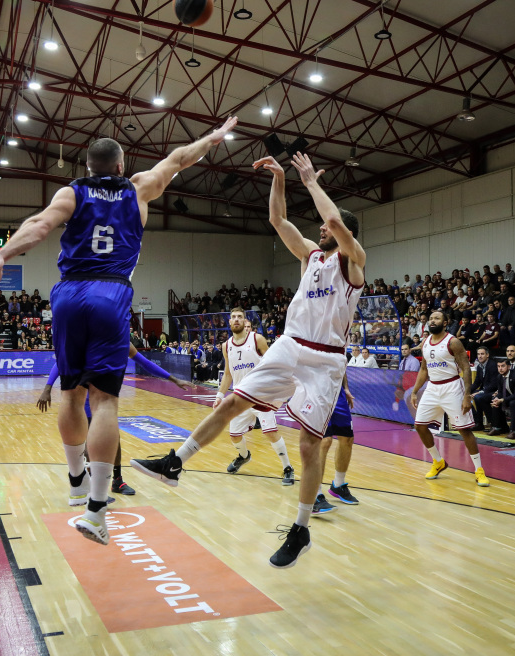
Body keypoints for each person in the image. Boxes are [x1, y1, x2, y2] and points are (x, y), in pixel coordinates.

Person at [0, 116, 238, 545]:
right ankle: (96, 511)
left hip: (66, 294)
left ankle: (76, 479)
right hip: (110, 294)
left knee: (71, 393)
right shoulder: (138, 187)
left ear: (88, 166)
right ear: (120, 166)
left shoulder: (71, 192)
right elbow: (179, 159)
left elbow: (39, 225)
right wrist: (212, 138)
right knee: (104, 403)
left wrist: (1, 255)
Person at [132, 152, 365, 569]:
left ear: (342, 232)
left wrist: (310, 182)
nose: (321, 230)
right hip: (290, 344)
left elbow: (335, 223)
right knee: (231, 401)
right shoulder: (312, 257)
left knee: (310, 445)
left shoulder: (355, 264)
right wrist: (279, 180)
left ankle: (301, 528)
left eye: (328, 227)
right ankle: (175, 463)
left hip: (325, 360)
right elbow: (279, 222)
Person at [38, 342, 193, 496]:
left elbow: (144, 362)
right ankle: (92, 484)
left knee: (114, 439)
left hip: (106, 399)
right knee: (91, 444)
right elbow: (60, 363)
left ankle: (117, 480)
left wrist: (173, 379)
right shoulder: (87, 336)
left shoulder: (121, 338)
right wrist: (47, 388)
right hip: (85, 399)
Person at [406, 310, 491, 487]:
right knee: (419, 425)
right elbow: (423, 369)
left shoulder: (453, 342)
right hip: (432, 387)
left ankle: (479, 470)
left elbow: (466, 368)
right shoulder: (426, 342)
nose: (432, 320)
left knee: (464, 430)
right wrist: (415, 391)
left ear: (446, 323)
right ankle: (438, 461)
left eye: (437, 318)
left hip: (452, 387)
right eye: (430, 318)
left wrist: (467, 395)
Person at [218, 308, 295, 485]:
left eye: (240, 317)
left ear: (245, 322)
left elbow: (272, 363)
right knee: (234, 435)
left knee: (270, 431)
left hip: (261, 395)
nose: (237, 320)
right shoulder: (226, 345)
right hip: (240, 396)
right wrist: (220, 395)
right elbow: (228, 373)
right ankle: (244, 456)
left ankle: (288, 468)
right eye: (234, 317)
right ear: (229, 322)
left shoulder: (257, 339)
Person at [320, 374, 359, 506]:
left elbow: (341, 364)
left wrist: (346, 388)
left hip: (337, 393)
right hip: (316, 393)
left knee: (347, 439)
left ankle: (338, 484)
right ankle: (315, 492)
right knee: (324, 441)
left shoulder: (340, 353)